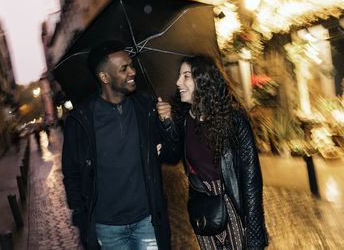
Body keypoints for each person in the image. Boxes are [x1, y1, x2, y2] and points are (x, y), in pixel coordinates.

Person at [62, 40, 174, 250]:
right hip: (107, 228)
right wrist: (82, 217)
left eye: (131, 65)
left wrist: (167, 125)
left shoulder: (146, 108)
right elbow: (72, 174)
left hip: (147, 221)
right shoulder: (81, 120)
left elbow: (171, 155)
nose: (133, 72)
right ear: (104, 77)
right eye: (124, 69)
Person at [160, 55, 268, 250]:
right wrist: (168, 124)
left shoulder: (233, 120)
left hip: (233, 203)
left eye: (186, 76)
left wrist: (254, 228)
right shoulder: (184, 121)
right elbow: (171, 156)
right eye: (179, 76)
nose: (178, 82)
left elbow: (251, 180)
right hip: (203, 207)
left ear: (203, 81)